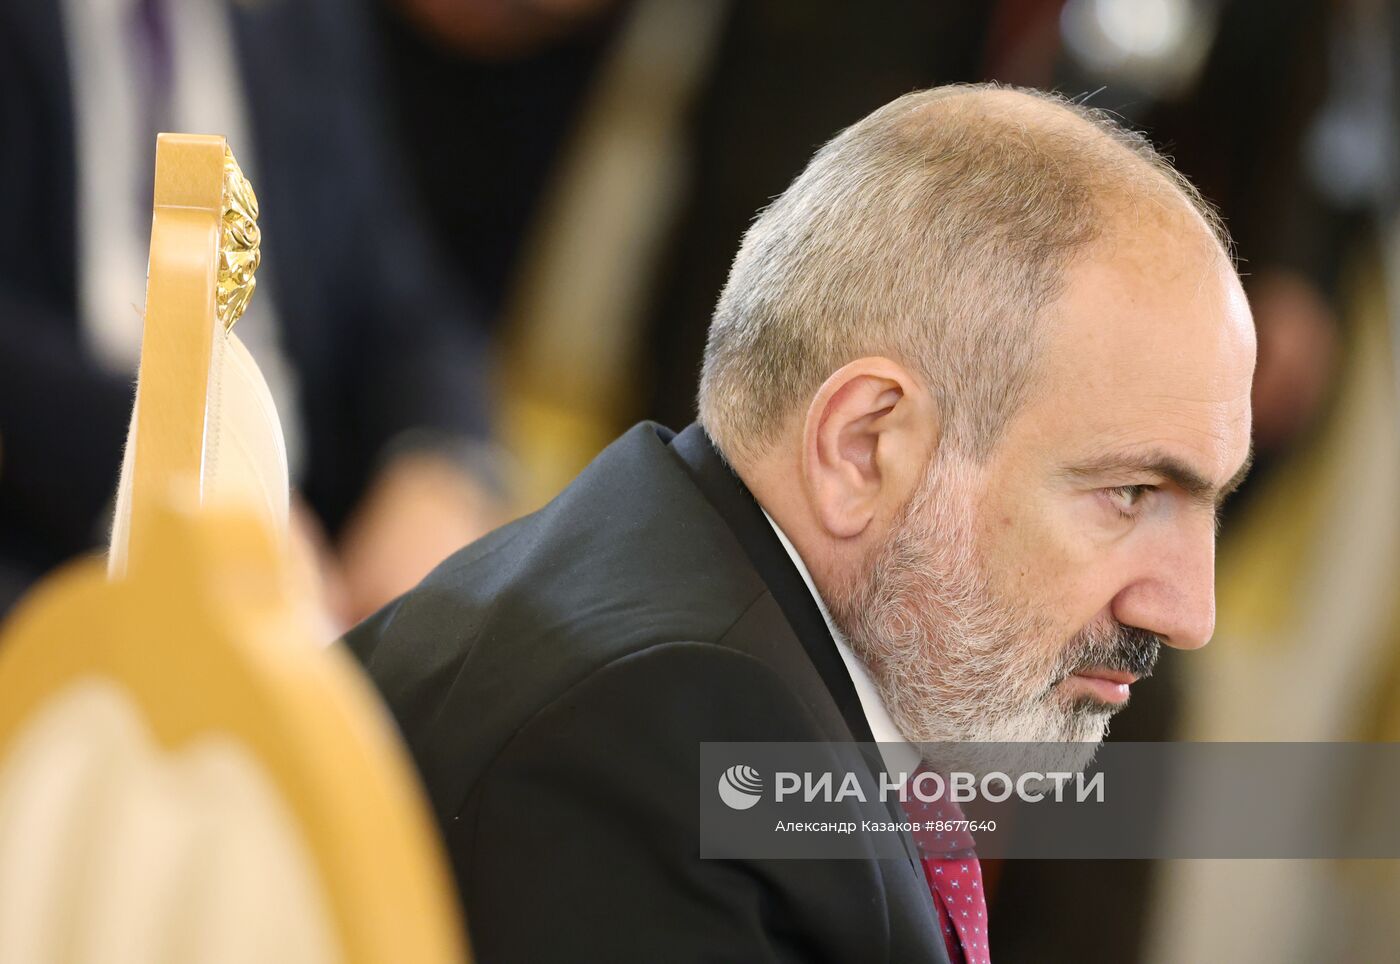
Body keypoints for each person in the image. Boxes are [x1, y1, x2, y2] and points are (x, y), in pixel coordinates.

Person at [347, 84, 1256, 962]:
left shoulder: (699, 625)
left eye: (1207, 505)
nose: (1190, 613)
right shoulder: (661, 737)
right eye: (1131, 493)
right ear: (863, 448)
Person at [0, 0, 501, 622]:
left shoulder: (306, 20)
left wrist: (436, 467)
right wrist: (186, 466)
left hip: (309, 573)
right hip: (49, 555)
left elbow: (405, 298)